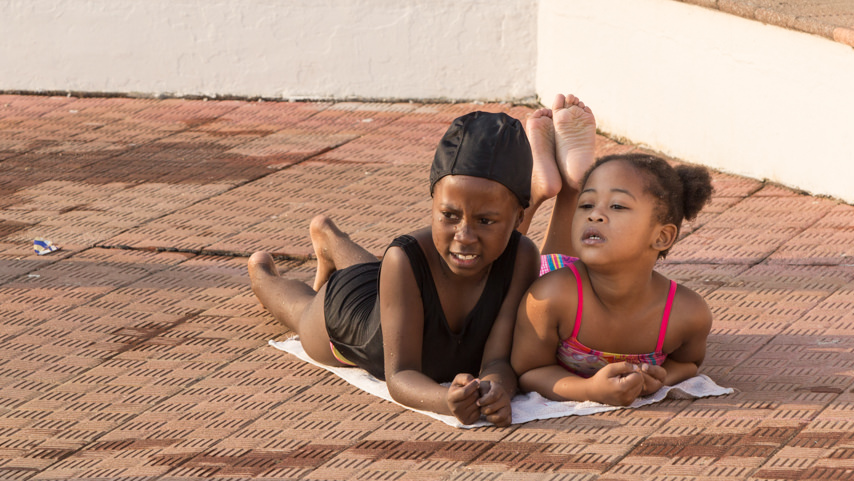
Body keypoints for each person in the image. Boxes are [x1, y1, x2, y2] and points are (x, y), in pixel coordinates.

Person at [248, 111, 540, 427]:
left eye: (486, 221)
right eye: (449, 216)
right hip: (349, 313)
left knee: (381, 274)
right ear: (432, 204)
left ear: (519, 219)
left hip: (390, 288)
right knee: (302, 313)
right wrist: (444, 401)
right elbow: (399, 374)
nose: (465, 236)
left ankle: (331, 239)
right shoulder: (405, 259)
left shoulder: (522, 257)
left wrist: (497, 386)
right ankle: (262, 273)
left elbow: (498, 358)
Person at [511, 95, 715, 407]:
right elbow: (529, 370)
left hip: (573, 281)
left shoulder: (687, 313)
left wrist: (660, 379)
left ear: (662, 237)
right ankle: (538, 191)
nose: (594, 215)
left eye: (617, 206)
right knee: (498, 270)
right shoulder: (549, 297)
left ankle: (573, 184)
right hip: (540, 280)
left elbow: (687, 364)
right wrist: (588, 391)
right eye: (587, 204)